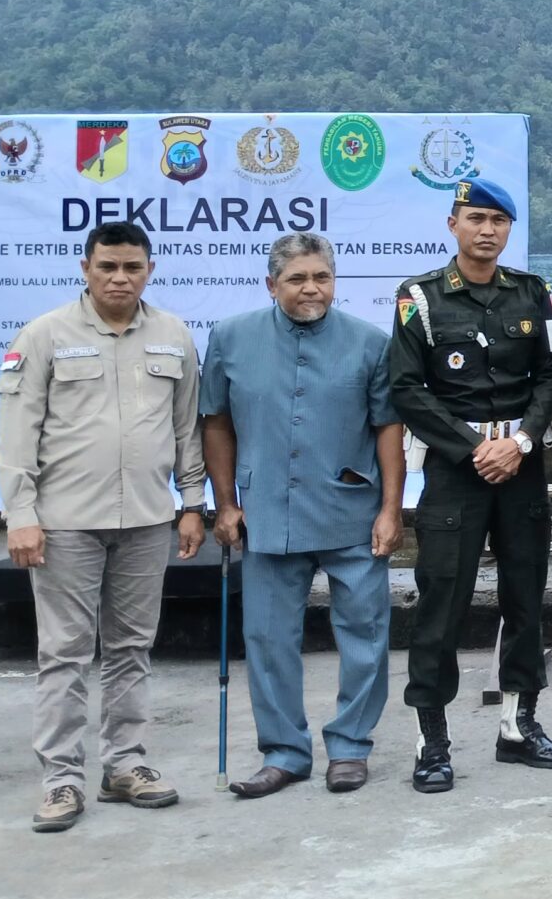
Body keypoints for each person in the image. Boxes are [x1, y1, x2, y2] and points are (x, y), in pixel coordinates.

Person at [0, 222, 205, 833]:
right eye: (107, 266)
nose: (120, 278)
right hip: (65, 524)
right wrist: (21, 516)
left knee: (131, 649)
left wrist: (193, 503)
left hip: (146, 519)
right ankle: (61, 779)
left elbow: (187, 427)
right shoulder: (44, 335)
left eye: (132, 267)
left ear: (149, 270)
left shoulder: (173, 335)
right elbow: (16, 435)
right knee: (64, 654)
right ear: (85, 268)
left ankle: (125, 765)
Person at [389, 178, 552, 791]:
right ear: (453, 225)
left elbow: (550, 377)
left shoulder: (532, 293)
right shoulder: (418, 297)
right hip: (455, 470)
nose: (487, 230)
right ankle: (432, 741)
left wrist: (519, 443)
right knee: (440, 602)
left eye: (498, 220)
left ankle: (519, 728)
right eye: (476, 219)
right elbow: (406, 388)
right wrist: (475, 448)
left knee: (526, 598)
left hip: (521, 467)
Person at [201, 234, 401, 799]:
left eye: (321, 277)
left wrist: (391, 509)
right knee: (267, 637)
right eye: (297, 279)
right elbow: (215, 422)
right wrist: (225, 503)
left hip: (350, 510)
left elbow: (388, 427)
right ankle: (284, 752)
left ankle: (350, 747)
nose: (311, 288)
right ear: (272, 285)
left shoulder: (370, 343)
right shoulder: (231, 338)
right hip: (265, 511)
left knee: (365, 634)